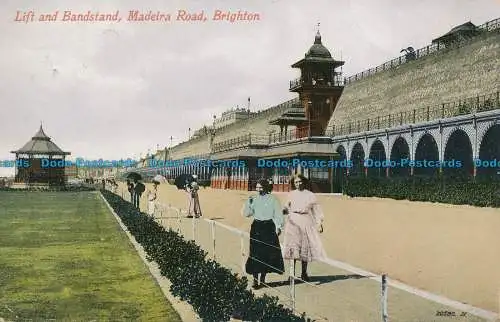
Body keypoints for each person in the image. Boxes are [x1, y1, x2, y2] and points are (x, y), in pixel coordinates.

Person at [242, 178, 285, 289]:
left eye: (260, 187)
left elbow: (278, 214)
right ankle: (255, 280)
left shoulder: (273, 199)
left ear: (266, 187)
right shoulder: (253, 198)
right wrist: (249, 204)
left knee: (266, 254)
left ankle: (263, 279)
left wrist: (279, 226)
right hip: (256, 227)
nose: (258, 189)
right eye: (257, 187)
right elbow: (247, 214)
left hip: (269, 227)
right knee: (255, 253)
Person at [282, 174, 326, 282]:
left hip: (305, 221)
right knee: (293, 248)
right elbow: (286, 206)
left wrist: (319, 223)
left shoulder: (310, 195)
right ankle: (291, 274)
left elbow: (316, 210)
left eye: (300, 181)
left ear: (304, 182)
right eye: (296, 182)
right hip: (293, 221)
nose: (298, 184)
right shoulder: (291, 194)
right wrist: (284, 210)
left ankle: (304, 273)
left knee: (304, 248)